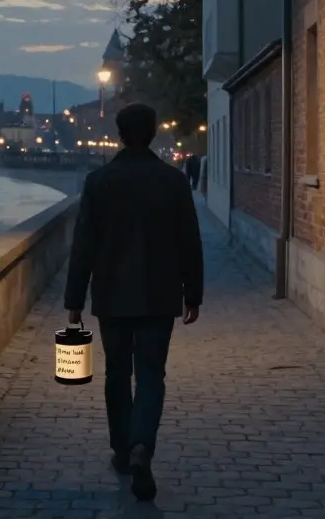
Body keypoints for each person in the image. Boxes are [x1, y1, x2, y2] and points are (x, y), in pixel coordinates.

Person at [64, 102, 204, 503]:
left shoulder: (99, 182)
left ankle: (123, 449)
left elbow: (84, 245)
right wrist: (193, 294)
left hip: (111, 296)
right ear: (154, 133)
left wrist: (75, 299)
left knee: (116, 373)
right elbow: (189, 241)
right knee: (151, 375)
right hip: (160, 295)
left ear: (120, 135)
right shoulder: (173, 181)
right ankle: (143, 444)